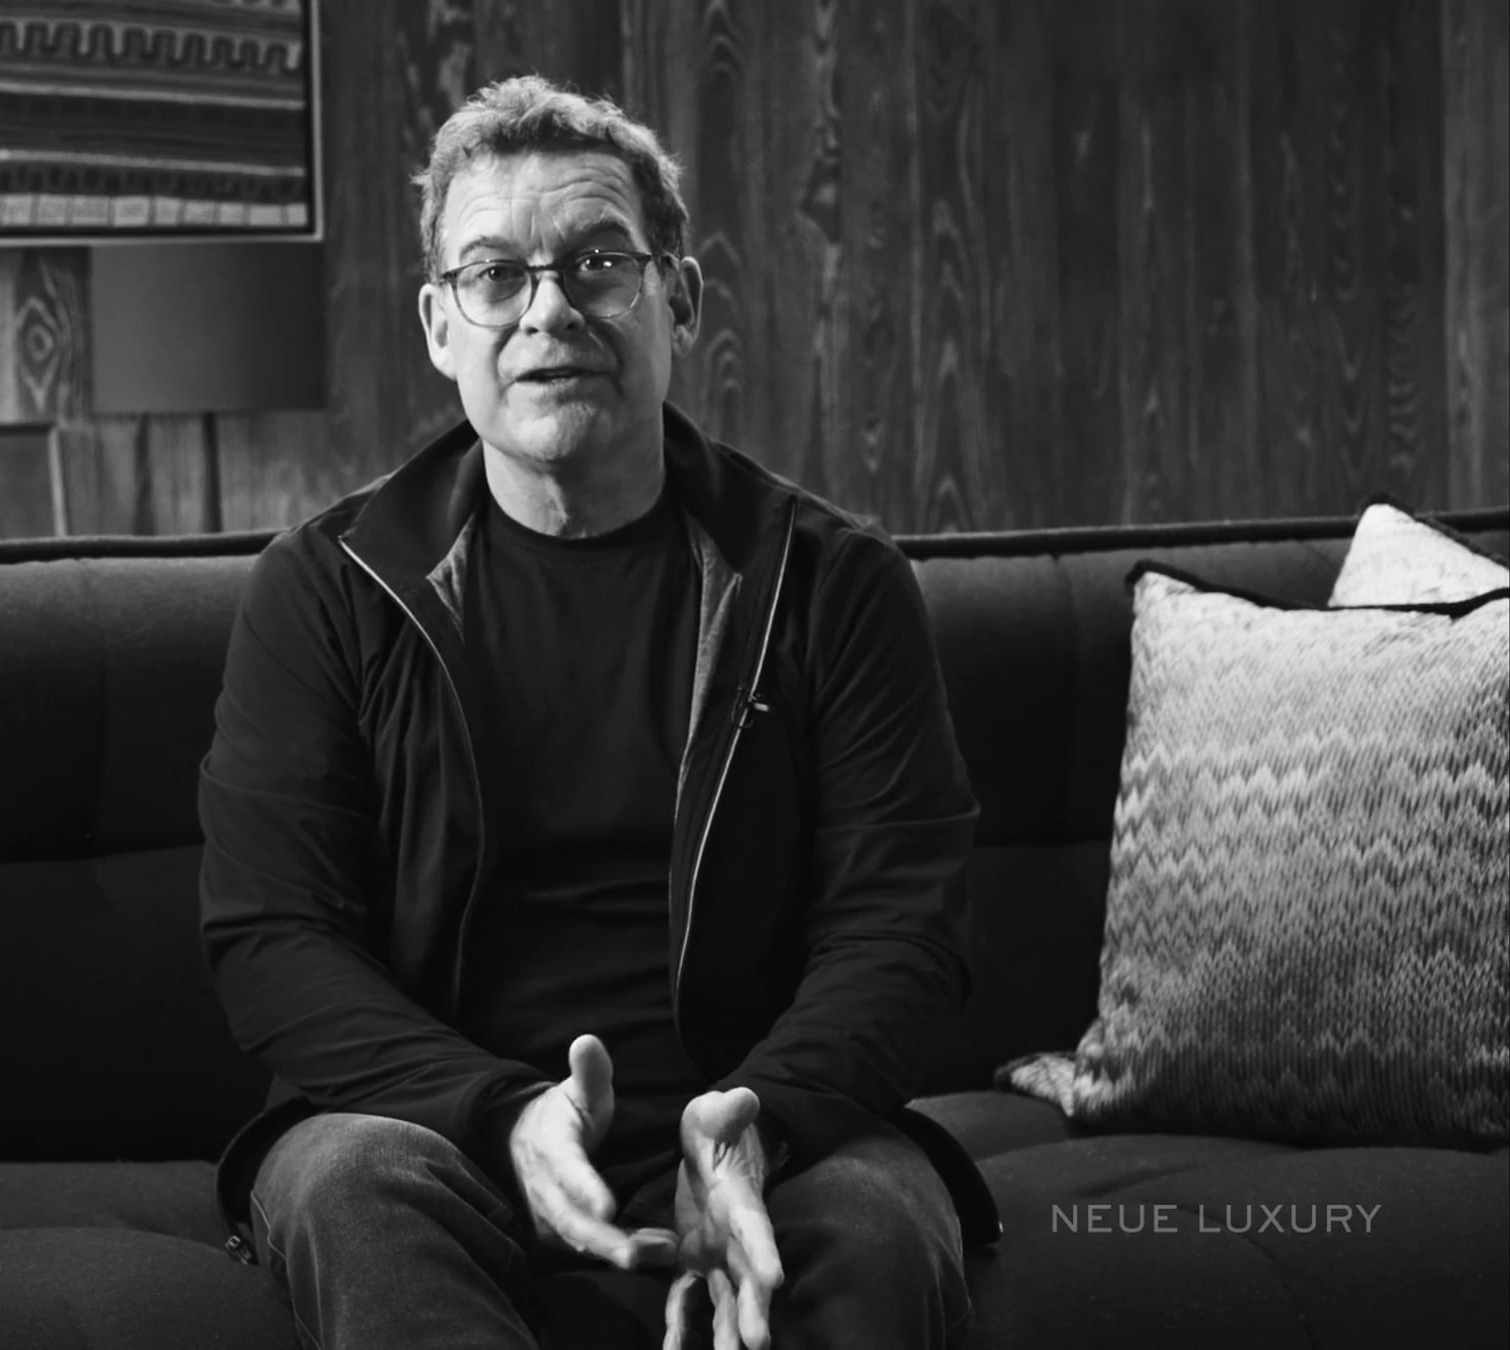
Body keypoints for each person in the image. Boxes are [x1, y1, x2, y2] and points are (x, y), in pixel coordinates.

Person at [199, 75, 994, 1350]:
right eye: (495, 275)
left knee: (878, 1232)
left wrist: (763, 1117)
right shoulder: (328, 590)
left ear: (679, 295)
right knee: (352, 1186)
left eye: (598, 263)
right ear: (440, 325)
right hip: (428, 1127)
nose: (549, 309)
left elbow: (904, 927)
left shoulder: (829, 582)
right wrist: (499, 1111)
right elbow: (272, 940)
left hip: (762, 1124)